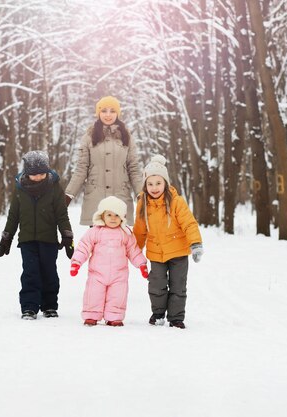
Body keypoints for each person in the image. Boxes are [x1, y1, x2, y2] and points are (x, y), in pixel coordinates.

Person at [0, 150, 74, 320]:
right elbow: (13, 216)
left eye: (42, 173)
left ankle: (49, 306)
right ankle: (29, 307)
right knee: (30, 273)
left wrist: (67, 236)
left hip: (48, 240)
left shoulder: (54, 188)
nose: (39, 177)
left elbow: (62, 215)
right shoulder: (20, 190)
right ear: (27, 173)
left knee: (49, 273)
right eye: (35, 175)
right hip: (27, 241)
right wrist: (6, 238)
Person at [133, 155, 203, 329]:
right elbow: (140, 230)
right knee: (156, 286)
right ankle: (158, 314)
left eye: (158, 183)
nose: (154, 187)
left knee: (178, 286)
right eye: (150, 184)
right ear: (145, 185)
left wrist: (195, 243)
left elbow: (189, 223)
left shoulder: (177, 202)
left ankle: (176, 317)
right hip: (156, 253)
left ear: (165, 183)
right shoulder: (143, 204)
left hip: (178, 252)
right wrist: (133, 250)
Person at [69, 196, 148, 327]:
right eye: (109, 214)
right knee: (93, 294)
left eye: (116, 215)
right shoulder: (94, 231)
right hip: (97, 274)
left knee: (118, 296)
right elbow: (84, 246)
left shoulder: (125, 233)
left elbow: (133, 250)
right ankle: (91, 315)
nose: (112, 218)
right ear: (102, 216)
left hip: (119, 275)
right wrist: (76, 262)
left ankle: (114, 317)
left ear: (122, 217)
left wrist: (142, 264)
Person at [64, 96, 142, 226]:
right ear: (98, 113)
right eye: (104, 110)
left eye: (112, 111)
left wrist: (140, 193)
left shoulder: (126, 137)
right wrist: (68, 195)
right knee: (97, 243)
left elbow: (133, 168)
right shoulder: (89, 136)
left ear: (117, 113)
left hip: (120, 199)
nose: (108, 115)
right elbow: (81, 169)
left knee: (121, 244)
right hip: (96, 201)